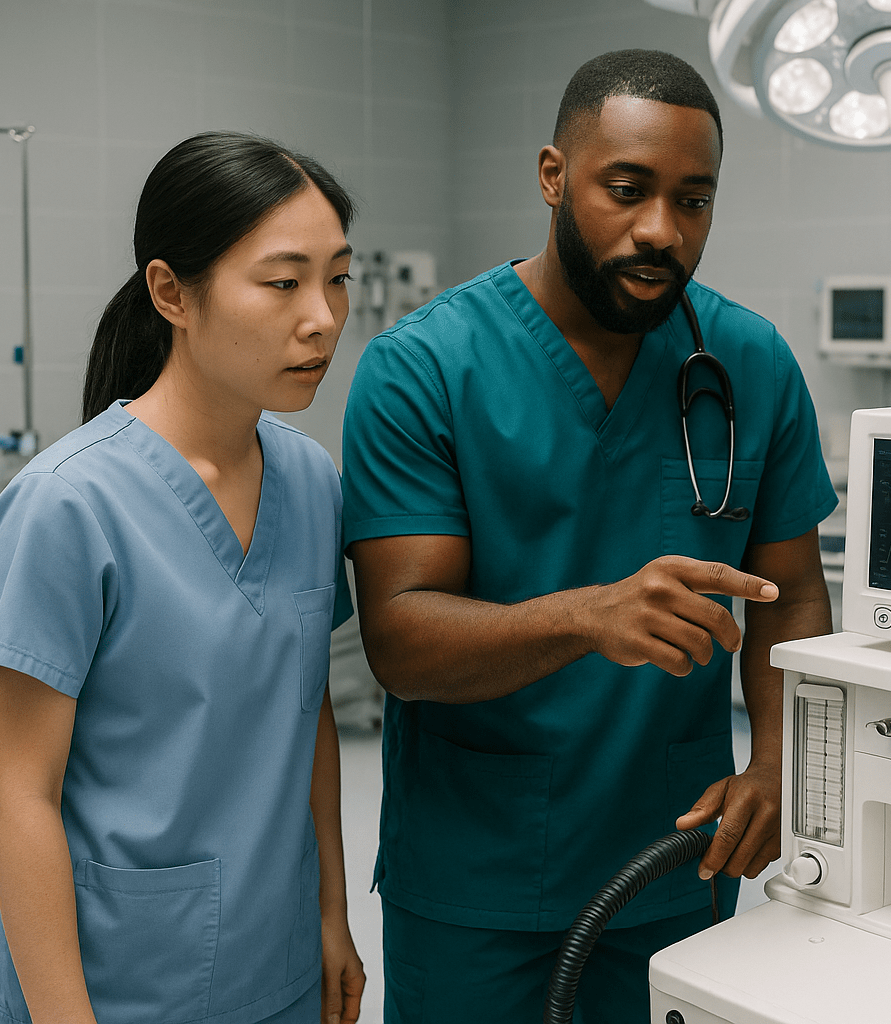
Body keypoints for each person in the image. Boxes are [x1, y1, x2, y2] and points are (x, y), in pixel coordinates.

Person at [340, 49, 836, 1023]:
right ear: (552, 177)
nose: (661, 229)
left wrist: (779, 760)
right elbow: (398, 639)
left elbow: (794, 593)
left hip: (676, 860)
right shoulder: (425, 369)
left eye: (693, 200)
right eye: (627, 189)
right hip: (476, 877)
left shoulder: (748, 362)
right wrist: (588, 616)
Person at [0, 132, 366, 1024]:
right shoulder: (67, 505)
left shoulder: (309, 481)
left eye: (336, 277)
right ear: (170, 293)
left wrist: (333, 917)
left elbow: (307, 712)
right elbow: (18, 794)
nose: (323, 317)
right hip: (112, 986)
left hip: (278, 966)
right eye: (283, 281)